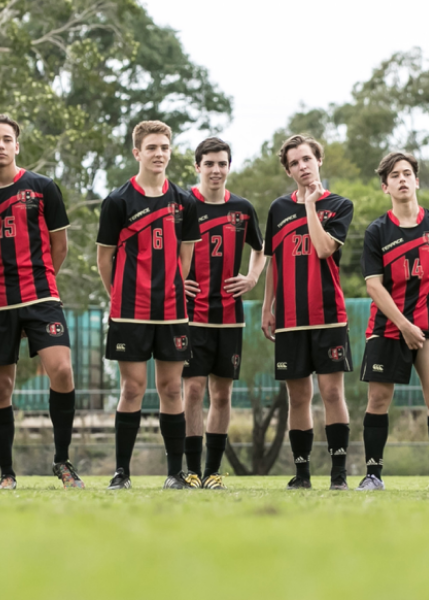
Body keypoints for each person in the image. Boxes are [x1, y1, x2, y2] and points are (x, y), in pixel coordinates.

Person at [0, 114, 83, 489]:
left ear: (17, 146)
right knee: (0, 388)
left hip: (40, 296)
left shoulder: (42, 187)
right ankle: (7, 474)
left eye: (7, 139)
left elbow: (60, 246)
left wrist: (40, 280)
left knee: (63, 371)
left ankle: (62, 461)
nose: (1, 145)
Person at [96, 120, 200, 490]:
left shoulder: (185, 201)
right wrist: (121, 292)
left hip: (172, 311)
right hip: (129, 309)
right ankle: (121, 472)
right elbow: (104, 258)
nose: (159, 154)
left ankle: (175, 474)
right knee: (133, 388)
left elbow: (185, 258)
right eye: (152, 147)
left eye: (165, 148)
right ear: (137, 152)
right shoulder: (118, 201)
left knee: (173, 389)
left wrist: (170, 286)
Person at [357, 152, 429, 491]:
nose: (402, 179)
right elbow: (373, 285)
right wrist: (403, 325)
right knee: (378, 401)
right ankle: (373, 475)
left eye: (407, 173)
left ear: (417, 181)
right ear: (385, 186)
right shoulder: (377, 231)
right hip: (387, 328)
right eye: (395, 175)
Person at [261, 134, 353, 491]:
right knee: (297, 397)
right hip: (288, 319)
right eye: (295, 162)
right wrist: (268, 307)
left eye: (307, 159)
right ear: (288, 170)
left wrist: (311, 206)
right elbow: (273, 263)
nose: (302, 166)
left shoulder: (339, 205)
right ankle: (301, 475)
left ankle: (339, 475)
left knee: (332, 394)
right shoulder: (277, 210)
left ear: (319, 161)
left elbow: (324, 248)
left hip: (329, 315)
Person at [181, 138, 264, 490]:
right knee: (193, 391)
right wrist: (175, 281)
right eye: (209, 163)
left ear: (229, 167)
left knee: (223, 395)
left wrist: (252, 277)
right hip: (190, 315)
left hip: (230, 315)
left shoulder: (242, 209)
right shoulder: (183, 204)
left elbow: (261, 250)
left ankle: (213, 472)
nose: (216, 170)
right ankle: (190, 469)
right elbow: (163, 247)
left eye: (222, 164)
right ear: (197, 166)